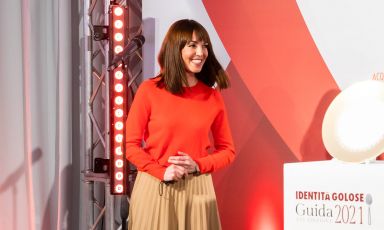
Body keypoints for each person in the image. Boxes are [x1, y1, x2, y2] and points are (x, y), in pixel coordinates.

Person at [125, 19, 235, 230]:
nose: (201, 52)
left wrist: (198, 165)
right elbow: (130, 146)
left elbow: (228, 150)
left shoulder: (212, 97)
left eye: (204, 45)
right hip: (155, 187)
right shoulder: (150, 90)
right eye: (192, 45)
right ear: (176, 49)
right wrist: (160, 171)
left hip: (198, 189)